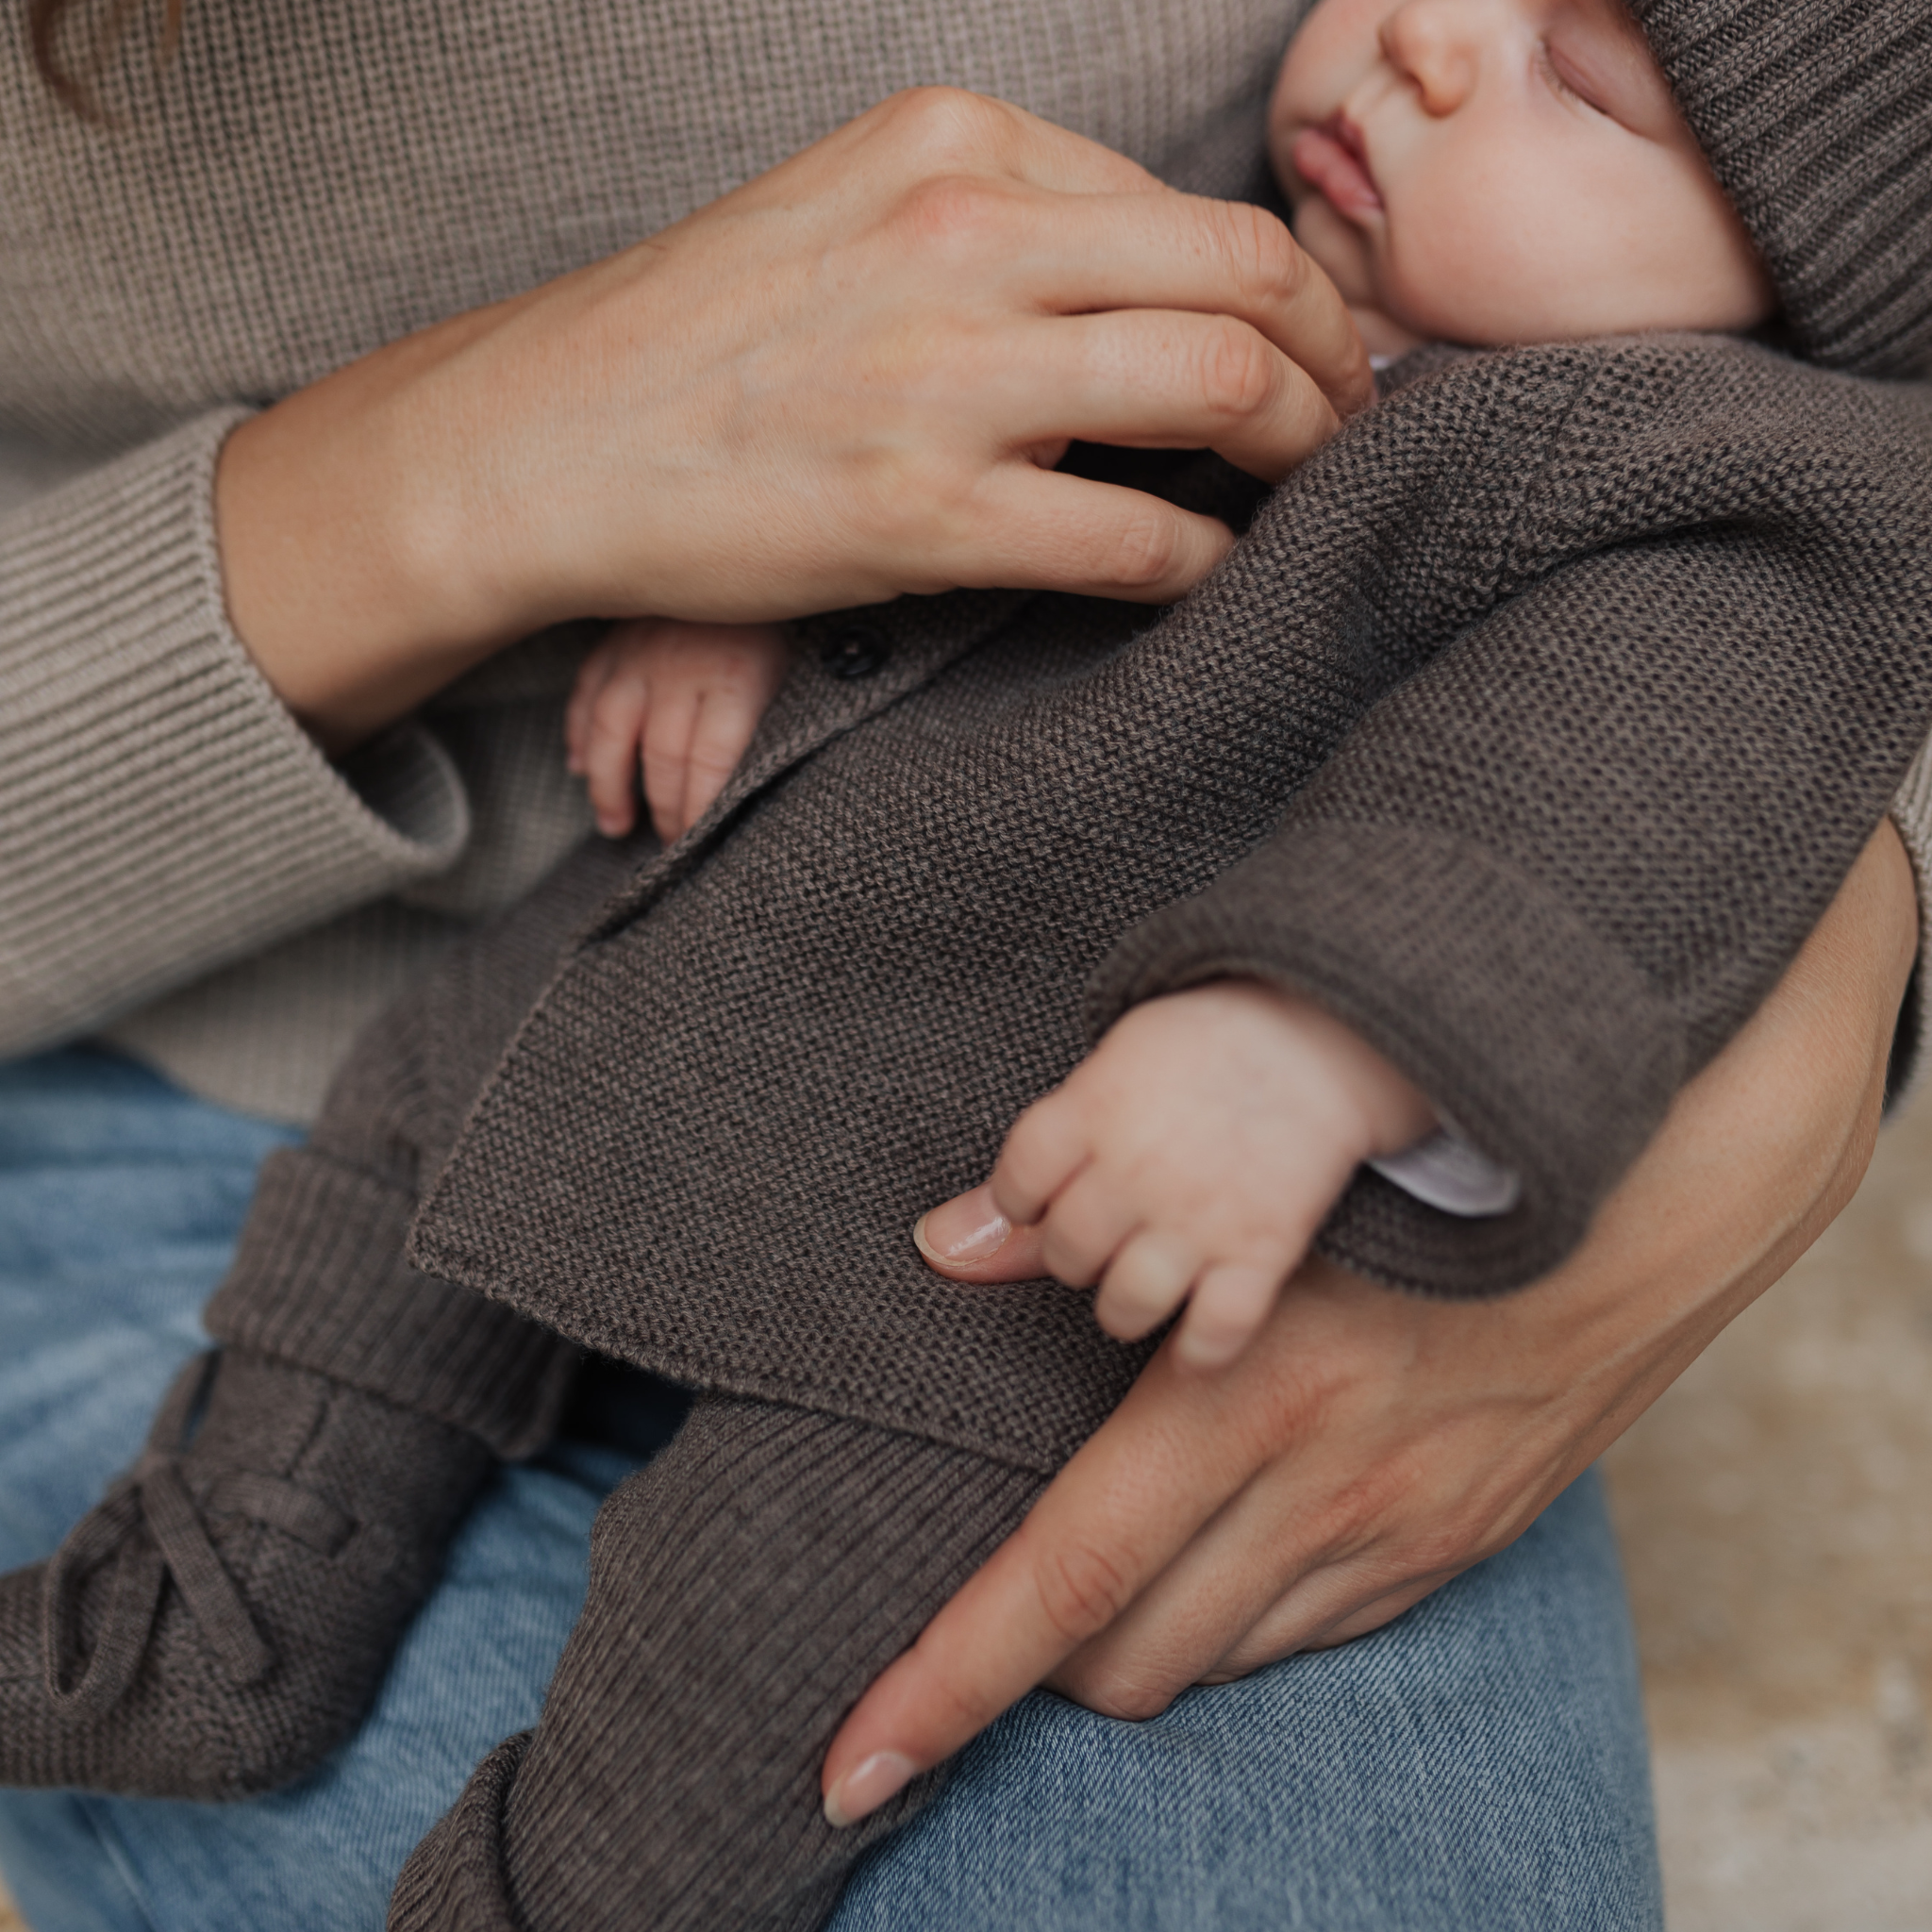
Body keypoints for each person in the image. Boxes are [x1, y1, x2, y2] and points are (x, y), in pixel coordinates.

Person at [6, 0, 1931, 1925]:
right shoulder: (1240, 238)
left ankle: (557, 1890)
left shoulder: (1694, 487)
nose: (1427, 38)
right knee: (402, 1172)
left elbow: (1562, 813)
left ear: (1804, 293)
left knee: (782, 1609)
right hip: (644, 949)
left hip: (986, 1207)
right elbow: (913, 438)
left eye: (1577, 82)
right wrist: (705, 589)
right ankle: (219, 1596)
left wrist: (1310, 1044)